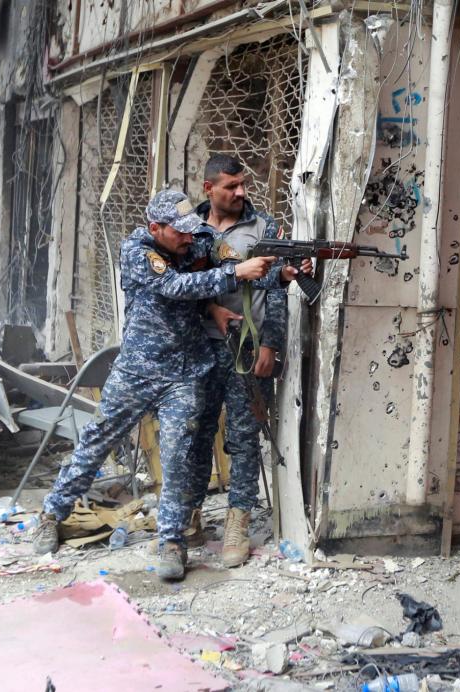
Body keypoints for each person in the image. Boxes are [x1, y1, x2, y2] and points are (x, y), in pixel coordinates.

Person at [32, 189, 279, 581]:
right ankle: (52, 513)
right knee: (98, 439)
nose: (188, 238)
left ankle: (172, 541)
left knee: (178, 453)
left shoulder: (194, 240)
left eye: (190, 230)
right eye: (178, 233)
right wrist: (233, 275)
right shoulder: (137, 251)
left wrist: (274, 270)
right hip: (139, 370)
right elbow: (177, 287)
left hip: (186, 372)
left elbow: (226, 257)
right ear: (155, 228)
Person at [188, 154, 309, 567]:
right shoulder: (189, 228)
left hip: (247, 349)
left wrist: (270, 345)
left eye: (243, 184)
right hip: (197, 349)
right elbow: (180, 284)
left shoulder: (264, 227)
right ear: (209, 189)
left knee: (243, 438)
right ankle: (189, 514)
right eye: (230, 186)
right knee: (194, 433)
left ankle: (238, 519)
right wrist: (210, 312)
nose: (240, 192)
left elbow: (276, 289)